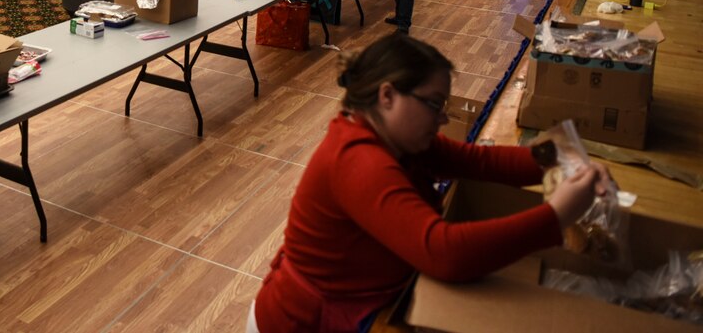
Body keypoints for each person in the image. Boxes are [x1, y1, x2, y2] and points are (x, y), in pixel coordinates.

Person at [250, 34, 607, 333]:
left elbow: (475, 161)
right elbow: (443, 253)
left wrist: (567, 159)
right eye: (434, 104)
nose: (443, 118)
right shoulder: (358, 161)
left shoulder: (398, 139)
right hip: (302, 323)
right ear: (387, 96)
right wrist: (556, 217)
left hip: (359, 299)